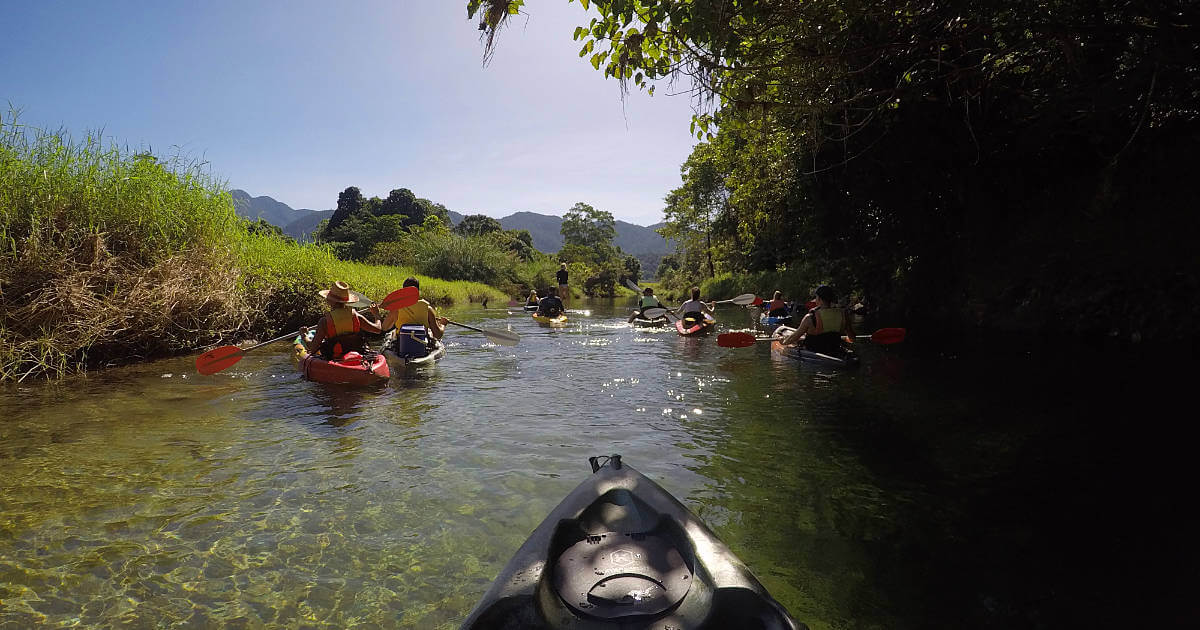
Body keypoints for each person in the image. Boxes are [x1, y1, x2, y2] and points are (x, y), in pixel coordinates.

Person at [301, 280, 383, 360]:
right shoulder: (356, 316)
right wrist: (376, 315)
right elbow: (378, 329)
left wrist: (304, 336)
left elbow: (312, 348)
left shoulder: (324, 321)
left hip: (334, 359)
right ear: (346, 301)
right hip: (358, 356)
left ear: (329, 300)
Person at [780, 285, 856, 355]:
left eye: (816, 297)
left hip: (813, 353)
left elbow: (794, 337)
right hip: (835, 350)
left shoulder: (810, 317)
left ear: (819, 298)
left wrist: (783, 342)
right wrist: (846, 338)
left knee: (797, 341)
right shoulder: (843, 315)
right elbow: (852, 339)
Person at [383, 277, 448, 345]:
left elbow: (385, 327)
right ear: (417, 291)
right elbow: (438, 335)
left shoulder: (396, 308)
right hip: (422, 344)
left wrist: (395, 319)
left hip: (402, 344)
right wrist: (442, 324)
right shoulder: (428, 309)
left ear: (403, 291)